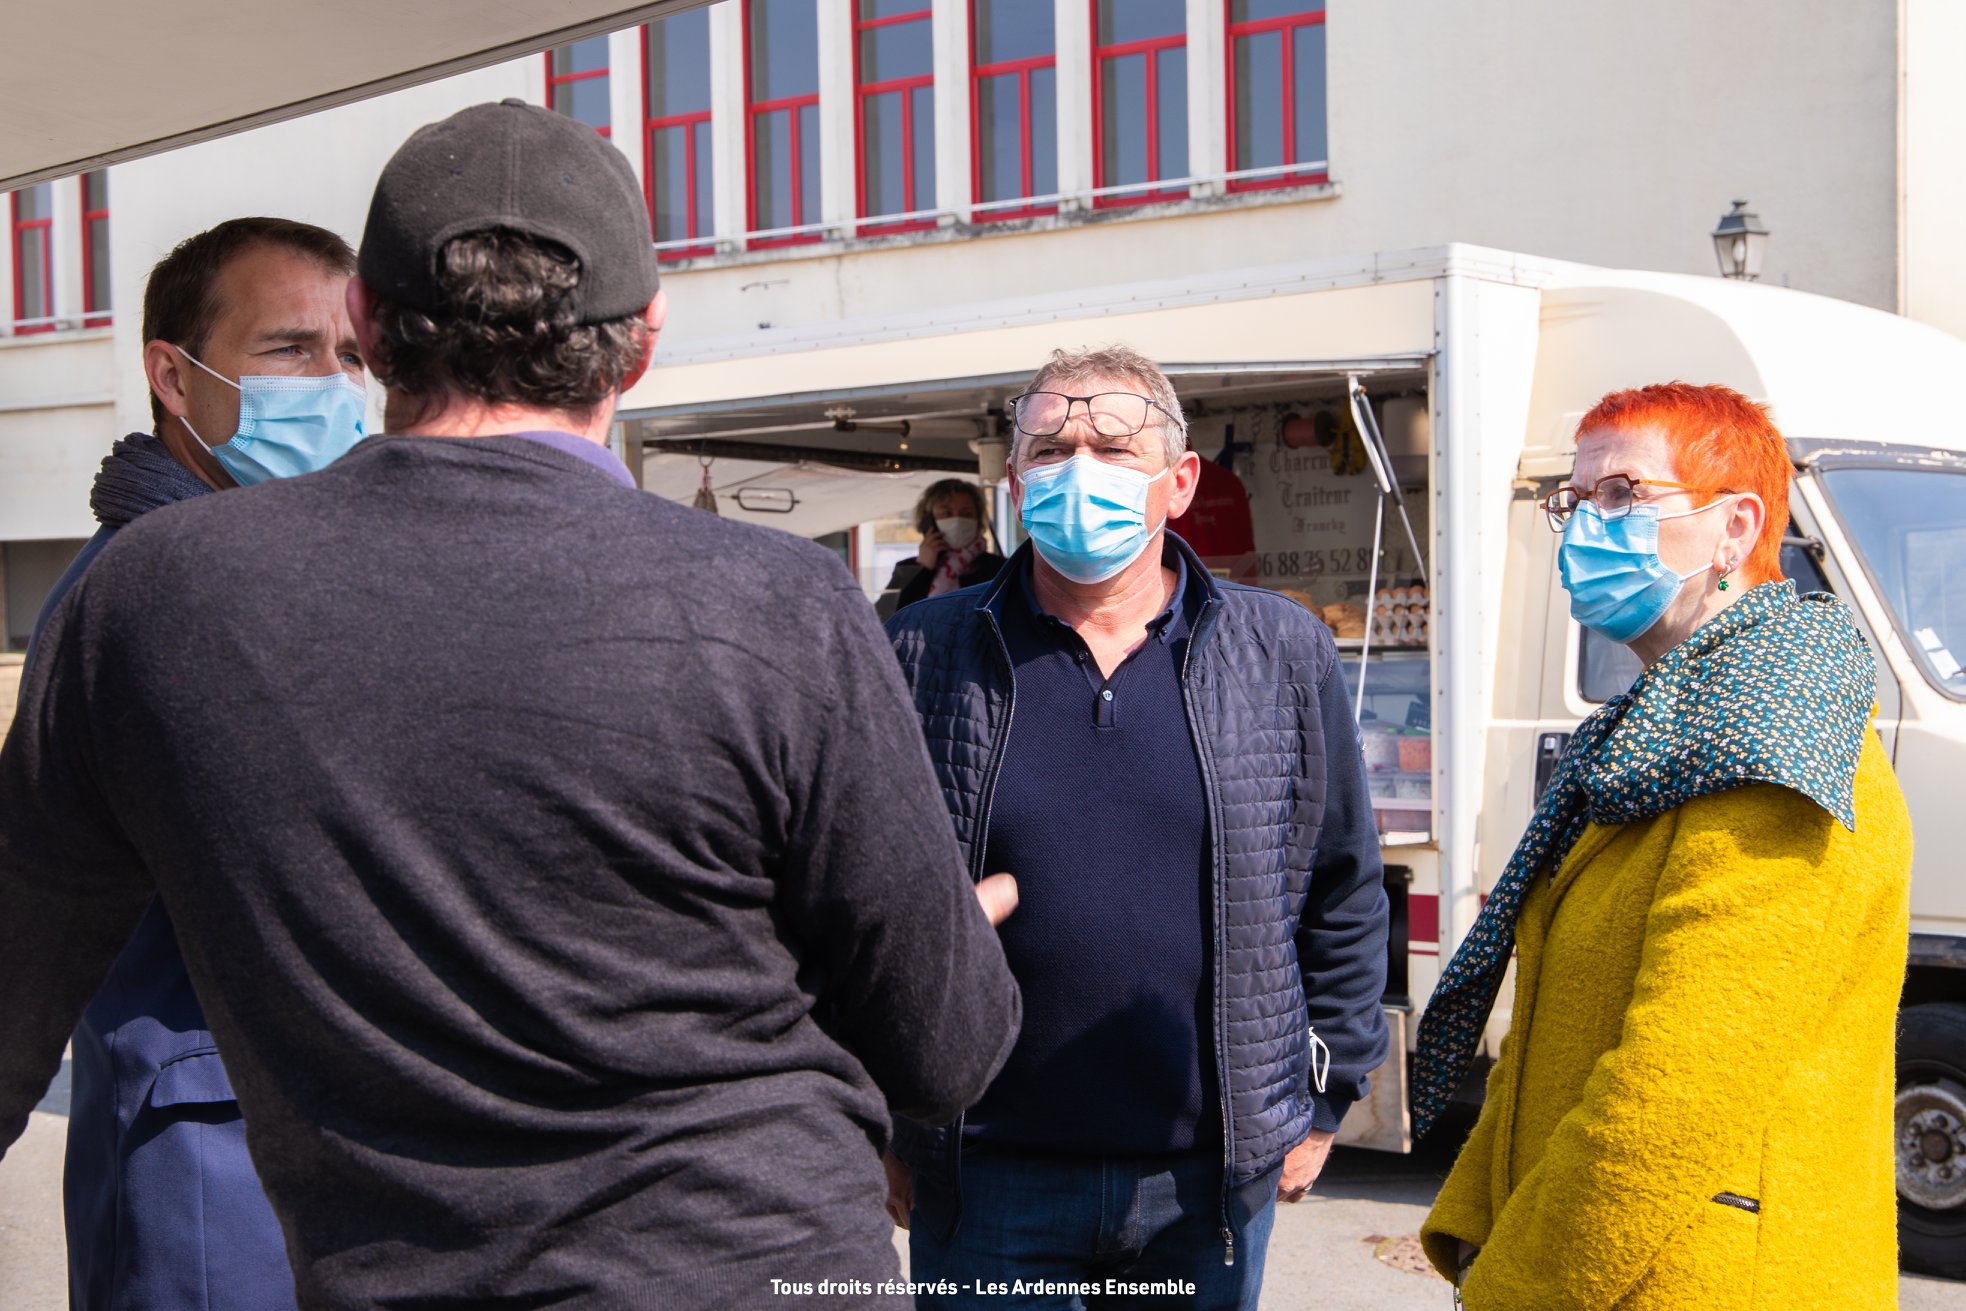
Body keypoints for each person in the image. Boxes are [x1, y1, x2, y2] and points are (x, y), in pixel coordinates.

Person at [0, 99, 1019, 1310]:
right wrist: (925, 930)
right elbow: (949, 1049)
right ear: (642, 342)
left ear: (368, 330)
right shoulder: (777, 600)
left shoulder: (151, 602)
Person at [883, 345, 1390, 1310]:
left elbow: (1341, 884)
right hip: (988, 1175)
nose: (1078, 470)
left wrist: (1322, 1103)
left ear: (1179, 481)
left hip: (1200, 1185)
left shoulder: (1277, 647)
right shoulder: (921, 650)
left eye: (1113, 448)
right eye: (1051, 447)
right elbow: (856, 905)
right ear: (1014, 481)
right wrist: (884, 1119)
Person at [1413, 382, 1913, 1308]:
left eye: (1623, 495)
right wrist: (1479, 1217)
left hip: (1698, 1279)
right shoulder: (1672, 732)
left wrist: (1513, 1288)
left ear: (1736, 526)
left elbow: (1673, 1094)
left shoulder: (1769, 742)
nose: (1582, 526)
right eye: (1573, 501)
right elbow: (1557, 1032)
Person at [29, 215, 367, 1311]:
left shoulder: (283, 571)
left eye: (353, 356)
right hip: (206, 1156)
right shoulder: (140, 597)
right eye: (288, 351)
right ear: (174, 378)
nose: (334, 387)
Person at [885, 479, 1005, 612]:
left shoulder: (1000, 568)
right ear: (928, 521)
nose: (957, 520)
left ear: (977, 520)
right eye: (946, 514)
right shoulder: (907, 569)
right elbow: (885, 618)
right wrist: (923, 569)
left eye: (966, 514)